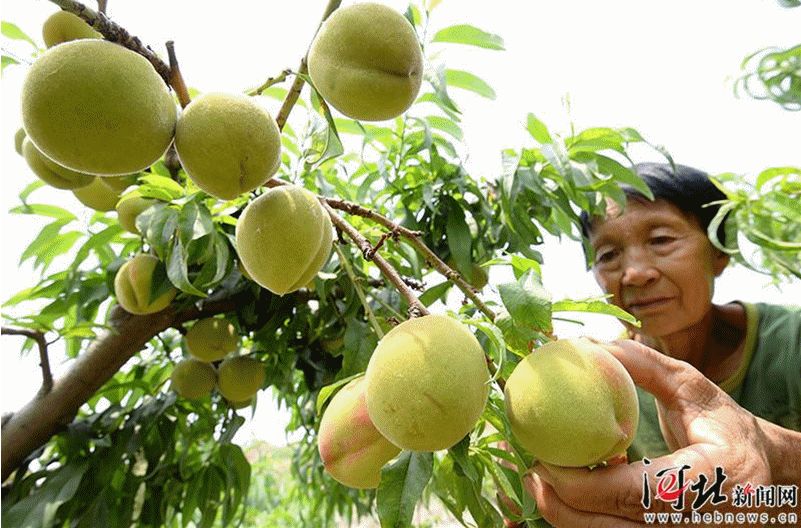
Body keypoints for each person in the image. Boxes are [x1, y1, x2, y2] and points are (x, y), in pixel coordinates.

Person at [522, 163, 801, 527]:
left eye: (660, 240)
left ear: (720, 251)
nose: (635, 272)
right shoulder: (590, 384)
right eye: (607, 255)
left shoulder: (790, 341)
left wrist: (779, 460)